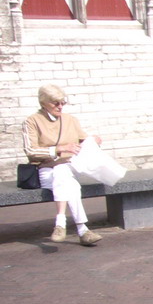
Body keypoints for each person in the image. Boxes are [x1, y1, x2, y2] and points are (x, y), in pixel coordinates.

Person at [22, 84, 103, 246]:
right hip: (46, 169)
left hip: (70, 167)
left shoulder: (70, 120)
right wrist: (59, 149)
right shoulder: (31, 122)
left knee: (63, 171)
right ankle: (83, 230)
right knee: (68, 182)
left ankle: (60, 223)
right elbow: (30, 150)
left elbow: (83, 141)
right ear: (43, 102)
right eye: (55, 103)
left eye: (62, 102)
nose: (60, 106)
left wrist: (93, 141)